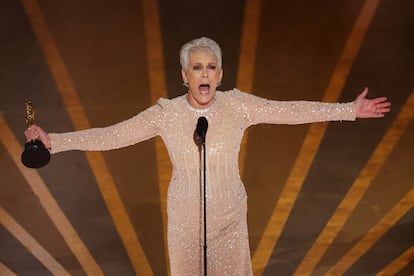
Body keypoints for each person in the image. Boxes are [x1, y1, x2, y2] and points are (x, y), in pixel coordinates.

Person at [25, 37, 391, 275]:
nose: (205, 73)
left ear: (219, 74)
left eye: (211, 67)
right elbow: (113, 136)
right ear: (185, 76)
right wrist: (53, 141)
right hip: (185, 224)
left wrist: (348, 110)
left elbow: (291, 110)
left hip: (230, 220)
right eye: (197, 67)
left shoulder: (238, 106)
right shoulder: (166, 114)